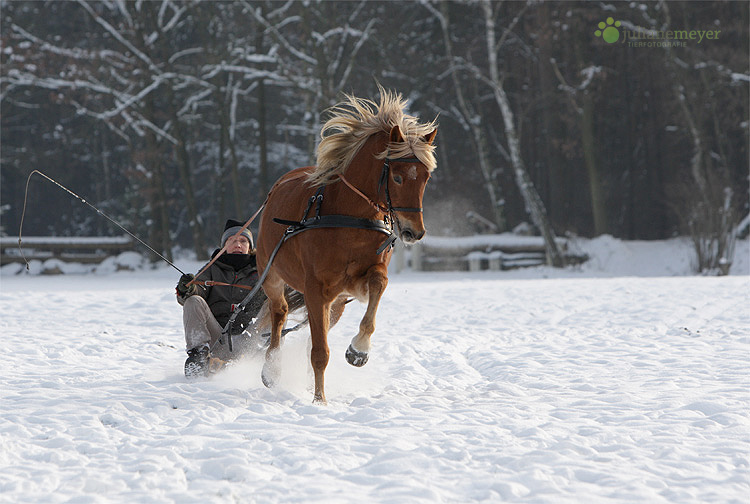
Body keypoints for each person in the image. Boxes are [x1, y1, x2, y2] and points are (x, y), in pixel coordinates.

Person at [175, 219, 267, 378]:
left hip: (251, 341)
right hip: (218, 339)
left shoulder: (263, 270)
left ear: (250, 247)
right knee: (193, 300)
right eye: (232, 240)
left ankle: (269, 359)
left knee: (276, 304)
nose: (238, 244)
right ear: (224, 245)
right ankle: (198, 358)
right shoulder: (212, 268)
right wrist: (187, 289)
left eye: (243, 241)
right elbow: (197, 291)